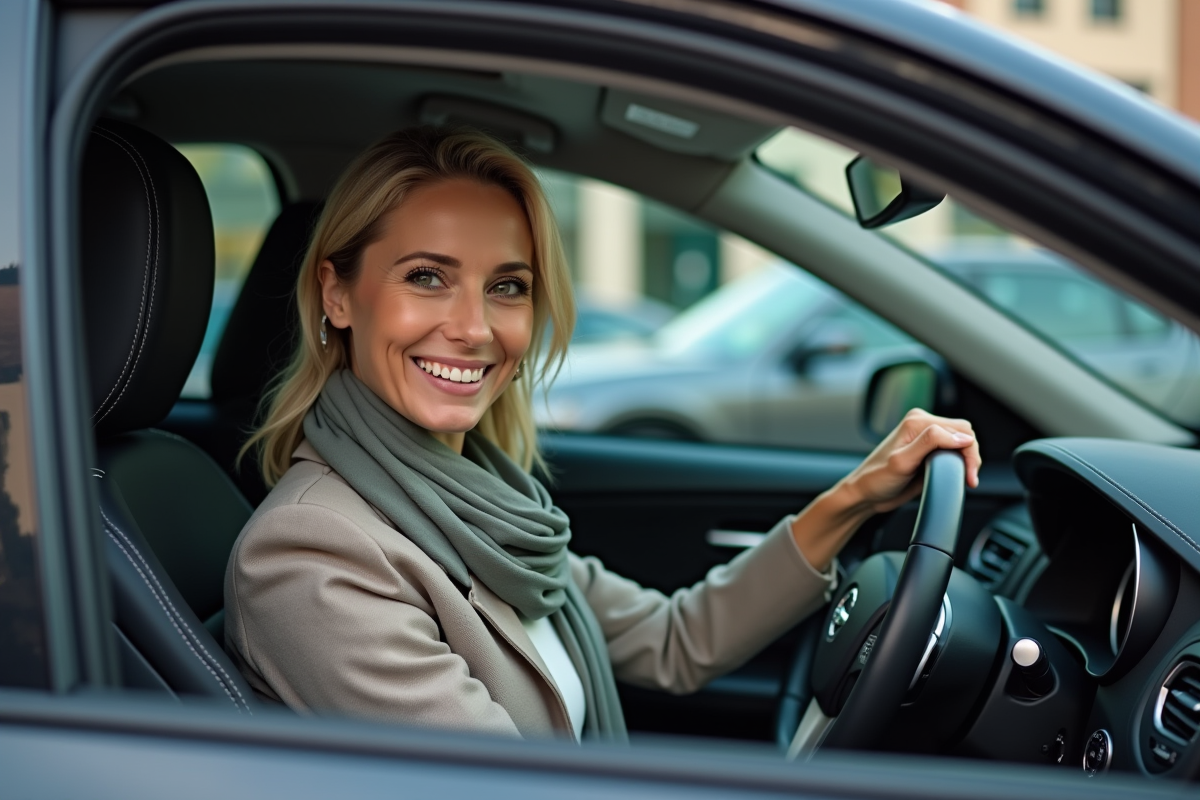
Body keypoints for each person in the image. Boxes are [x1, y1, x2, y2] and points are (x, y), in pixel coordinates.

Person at [224, 127, 981, 743]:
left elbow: (676, 642)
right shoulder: (311, 552)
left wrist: (857, 496)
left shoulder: (486, 501)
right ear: (338, 294)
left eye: (507, 287)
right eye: (426, 277)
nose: (474, 327)